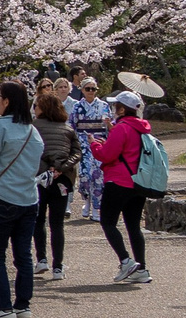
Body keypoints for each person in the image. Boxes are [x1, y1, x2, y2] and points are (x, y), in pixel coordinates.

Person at [0, 81, 48, 318]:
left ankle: (4, 307)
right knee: (23, 255)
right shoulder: (33, 131)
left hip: (2, 196)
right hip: (29, 198)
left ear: (6, 101)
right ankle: (23, 306)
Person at [89, 88, 155, 282]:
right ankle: (142, 269)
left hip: (118, 181)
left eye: (116, 105)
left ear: (122, 109)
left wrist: (94, 144)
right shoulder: (141, 128)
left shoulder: (121, 128)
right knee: (133, 226)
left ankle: (126, 261)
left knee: (108, 222)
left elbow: (106, 155)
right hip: (138, 182)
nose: (113, 108)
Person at [33, 90, 79, 280]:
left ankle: (41, 259)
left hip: (40, 179)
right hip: (62, 179)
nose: (34, 109)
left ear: (43, 108)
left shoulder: (33, 127)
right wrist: (60, 168)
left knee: (38, 220)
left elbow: (31, 151)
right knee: (57, 224)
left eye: (36, 106)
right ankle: (58, 267)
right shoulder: (68, 129)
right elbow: (77, 153)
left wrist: (47, 169)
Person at [66, 76, 114, 223]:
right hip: (83, 144)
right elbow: (72, 125)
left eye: (93, 89)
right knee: (85, 175)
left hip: (99, 143)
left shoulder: (104, 105)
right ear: (82, 90)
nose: (91, 91)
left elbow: (110, 126)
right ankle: (87, 202)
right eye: (88, 89)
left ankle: (96, 208)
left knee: (98, 175)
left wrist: (108, 125)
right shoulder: (77, 106)